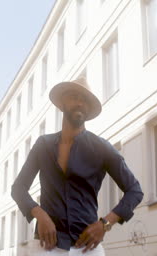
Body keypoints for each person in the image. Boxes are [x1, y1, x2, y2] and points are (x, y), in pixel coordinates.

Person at [11, 76, 143, 255]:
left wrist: (105, 224)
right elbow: (18, 188)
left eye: (85, 100)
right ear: (62, 103)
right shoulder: (43, 144)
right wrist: (39, 214)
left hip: (87, 247)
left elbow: (134, 190)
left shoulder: (101, 147)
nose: (80, 103)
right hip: (48, 246)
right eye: (74, 97)